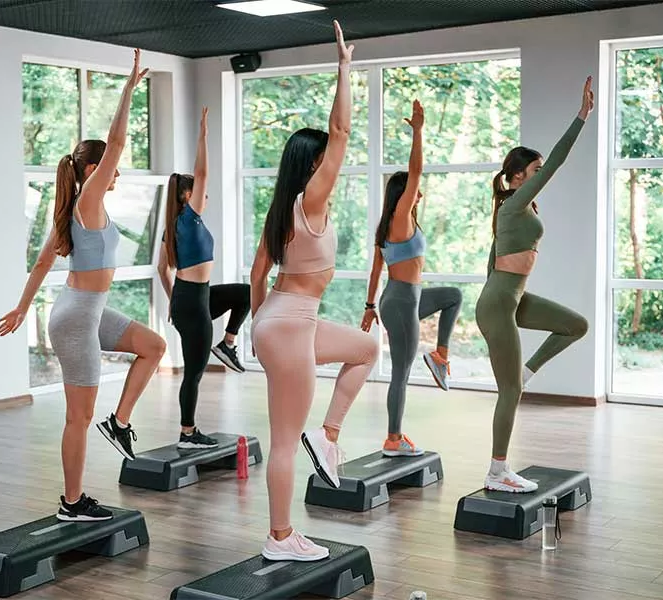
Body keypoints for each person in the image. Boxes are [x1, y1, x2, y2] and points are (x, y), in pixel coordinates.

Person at [0, 50, 164, 521]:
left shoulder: (81, 209)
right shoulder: (88, 200)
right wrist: (128, 90)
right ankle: (72, 503)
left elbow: (40, 263)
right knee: (78, 417)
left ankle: (120, 421)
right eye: (111, 165)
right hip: (75, 319)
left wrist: (21, 308)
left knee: (153, 346)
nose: (118, 170)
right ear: (93, 170)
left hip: (87, 309)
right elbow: (116, 141)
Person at [249, 21, 377, 562]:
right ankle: (280, 537)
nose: (333, 166)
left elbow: (257, 275)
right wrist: (344, 68)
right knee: (283, 440)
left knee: (366, 348)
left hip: (282, 318)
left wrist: (256, 328)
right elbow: (341, 132)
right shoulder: (309, 202)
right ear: (312, 165)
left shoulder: (281, 210)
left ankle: (328, 434)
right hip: (290, 322)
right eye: (324, 160)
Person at [477, 77, 594, 493]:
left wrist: (499, 300)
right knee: (509, 391)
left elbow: (493, 259)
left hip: (509, 298)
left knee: (575, 325)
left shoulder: (512, 209)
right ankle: (497, 472)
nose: (540, 177)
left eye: (539, 173)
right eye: (534, 172)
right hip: (499, 302)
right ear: (516, 177)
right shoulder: (513, 205)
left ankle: (527, 371)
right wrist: (581, 117)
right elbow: (558, 161)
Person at [360, 99, 461, 458]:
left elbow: (376, 270)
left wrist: (369, 306)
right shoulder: (400, 219)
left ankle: (440, 356)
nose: (420, 192)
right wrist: (418, 132)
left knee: (453, 296)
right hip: (402, 301)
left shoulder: (393, 224)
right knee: (400, 373)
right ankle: (393, 438)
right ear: (403, 195)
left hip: (403, 297)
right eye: (414, 190)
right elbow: (415, 171)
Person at [156, 107, 250, 449]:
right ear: (187, 195)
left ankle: (227, 343)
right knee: (194, 372)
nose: (205, 197)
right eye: (199, 192)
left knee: (245, 293)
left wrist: (172, 301)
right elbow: (203, 172)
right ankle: (187, 433)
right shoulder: (188, 218)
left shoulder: (176, 225)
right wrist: (203, 136)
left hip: (194, 296)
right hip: (192, 303)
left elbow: (162, 269)